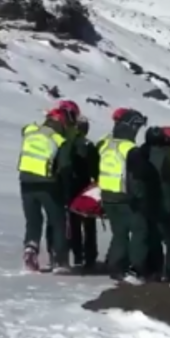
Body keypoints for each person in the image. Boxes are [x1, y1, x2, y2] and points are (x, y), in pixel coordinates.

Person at [18, 100, 80, 273]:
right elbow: (65, 167)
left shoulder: (32, 131)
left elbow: (24, 129)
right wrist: (67, 191)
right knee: (58, 221)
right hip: (48, 184)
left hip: (25, 181)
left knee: (33, 220)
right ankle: (60, 261)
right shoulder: (59, 139)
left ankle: (31, 248)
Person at [98, 107, 150, 282]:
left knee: (119, 233)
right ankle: (136, 269)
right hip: (125, 198)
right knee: (139, 231)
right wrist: (142, 197)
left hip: (107, 196)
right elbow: (139, 177)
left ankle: (115, 267)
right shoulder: (130, 149)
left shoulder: (106, 144)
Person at [140, 126, 170, 285]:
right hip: (168, 207)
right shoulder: (169, 160)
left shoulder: (141, 155)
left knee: (153, 240)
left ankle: (153, 273)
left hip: (147, 205)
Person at [67, 114, 100, 272]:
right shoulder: (89, 146)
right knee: (89, 222)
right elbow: (96, 168)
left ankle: (77, 255)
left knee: (73, 222)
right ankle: (90, 256)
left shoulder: (67, 144)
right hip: (86, 187)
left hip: (70, 187)